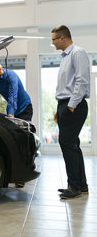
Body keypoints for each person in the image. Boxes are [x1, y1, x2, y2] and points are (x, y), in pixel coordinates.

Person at [51, 25, 89, 199]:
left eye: (53, 39)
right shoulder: (65, 57)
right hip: (65, 105)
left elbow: (81, 81)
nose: (52, 43)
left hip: (74, 105)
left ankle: (74, 186)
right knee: (72, 144)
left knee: (67, 143)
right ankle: (81, 184)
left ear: (62, 38)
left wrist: (71, 106)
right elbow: (66, 86)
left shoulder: (77, 53)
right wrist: (59, 108)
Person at [0, 57, 33, 188]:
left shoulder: (11, 76)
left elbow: (13, 96)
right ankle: (15, 171)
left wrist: (11, 115)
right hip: (13, 110)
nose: (0, 69)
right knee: (14, 140)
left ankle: (23, 173)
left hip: (24, 108)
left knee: (23, 139)